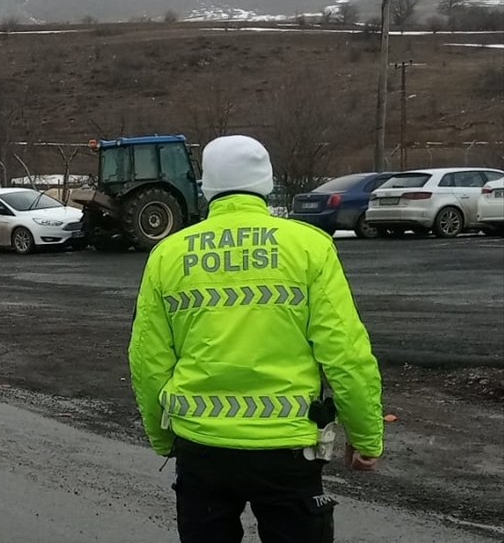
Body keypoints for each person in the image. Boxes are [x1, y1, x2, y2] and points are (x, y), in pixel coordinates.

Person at [128, 135, 383, 543]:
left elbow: (148, 359)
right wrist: (366, 434)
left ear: (207, 187)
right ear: (265, 183)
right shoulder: (309, 247)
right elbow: (345, 352)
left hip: (201, 447)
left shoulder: (168, 254)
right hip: (287, 451)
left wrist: (162, 437)